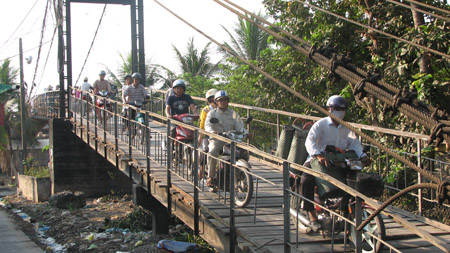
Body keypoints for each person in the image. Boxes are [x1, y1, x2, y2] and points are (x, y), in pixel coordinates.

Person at [299, 95, 371, 232]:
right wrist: (318, 155)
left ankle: (345, 209)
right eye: (337, 108)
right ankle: (312, 216)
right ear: (329, 109)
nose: (340, 111)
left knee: (353, 179)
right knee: (306, 180)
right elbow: (310, 142)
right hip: (317, 161)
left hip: (340, 161)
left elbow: (355, 144)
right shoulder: (320, 125)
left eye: (343, 109)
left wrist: (363, 156)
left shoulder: (347, 128)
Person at [204, 91, 245, 187]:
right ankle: (210, 176)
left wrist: (246, 133)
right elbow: (207, 126)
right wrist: (212, 132)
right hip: (217, 139)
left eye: (225, 100)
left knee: (243, 151)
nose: (223, 102)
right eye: (221, 100)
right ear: (216, 102)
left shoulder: (233, 113)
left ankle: (241, 173)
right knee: (213, 151)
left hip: (231, 139)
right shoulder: (211, 114)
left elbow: (240, 126)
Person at [198, 88, 218, 178]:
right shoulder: (206, 110)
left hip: (222, 135)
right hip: (209, 135)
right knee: (206, 149)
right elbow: (202, 125)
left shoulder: (223, 109)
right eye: (213, 98)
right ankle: (201, 169)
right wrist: (200, 137)